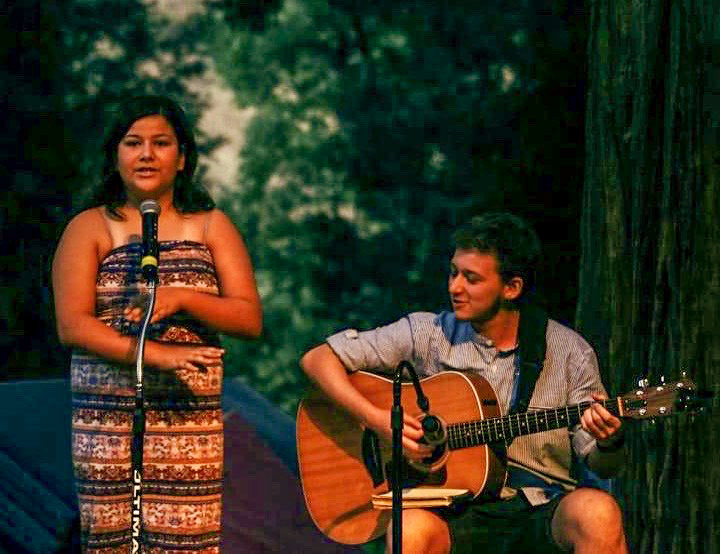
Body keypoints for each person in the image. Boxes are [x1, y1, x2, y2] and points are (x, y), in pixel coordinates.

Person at [300, 212, 628, 553]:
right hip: (450, 514)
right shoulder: (428, 333)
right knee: (408, 531)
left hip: (539, 509)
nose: (454, 287)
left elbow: (604, 465)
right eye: (453, 272)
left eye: (471, 278)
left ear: (511, 288)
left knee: (597, 512)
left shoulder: (569, 352)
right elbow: (318, 359)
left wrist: (609, 442)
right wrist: (377, 420)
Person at [52, 95, 263, 553]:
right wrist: (158, 356)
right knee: (111, 543)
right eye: (133, 143)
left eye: (161, 143)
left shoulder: (211, 225)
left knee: (187, 543)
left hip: (189, 422)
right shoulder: (89, 226)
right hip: (108, 422)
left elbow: (248, 318)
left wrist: (182, 297)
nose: (146, 154)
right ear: (115, 155)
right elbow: (73, 325)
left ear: (182, 158)